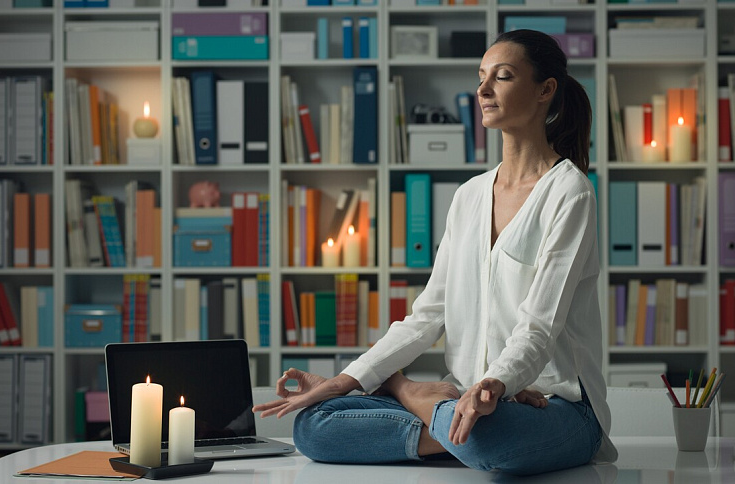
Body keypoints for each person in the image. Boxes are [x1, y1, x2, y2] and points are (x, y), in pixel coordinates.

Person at [253, 29, 618, 475]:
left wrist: (495, 385)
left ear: (545, 90)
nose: (483, 90)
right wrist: (342, 382)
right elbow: (428, 315)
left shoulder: (570, 193)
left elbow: (539, 327)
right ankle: (448, 425)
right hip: (467, 401)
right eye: (481, 77)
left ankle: (409, 395)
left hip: (558, 409)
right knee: (313, 426)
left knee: (485, 435)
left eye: (501, 77)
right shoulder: (469, 196)